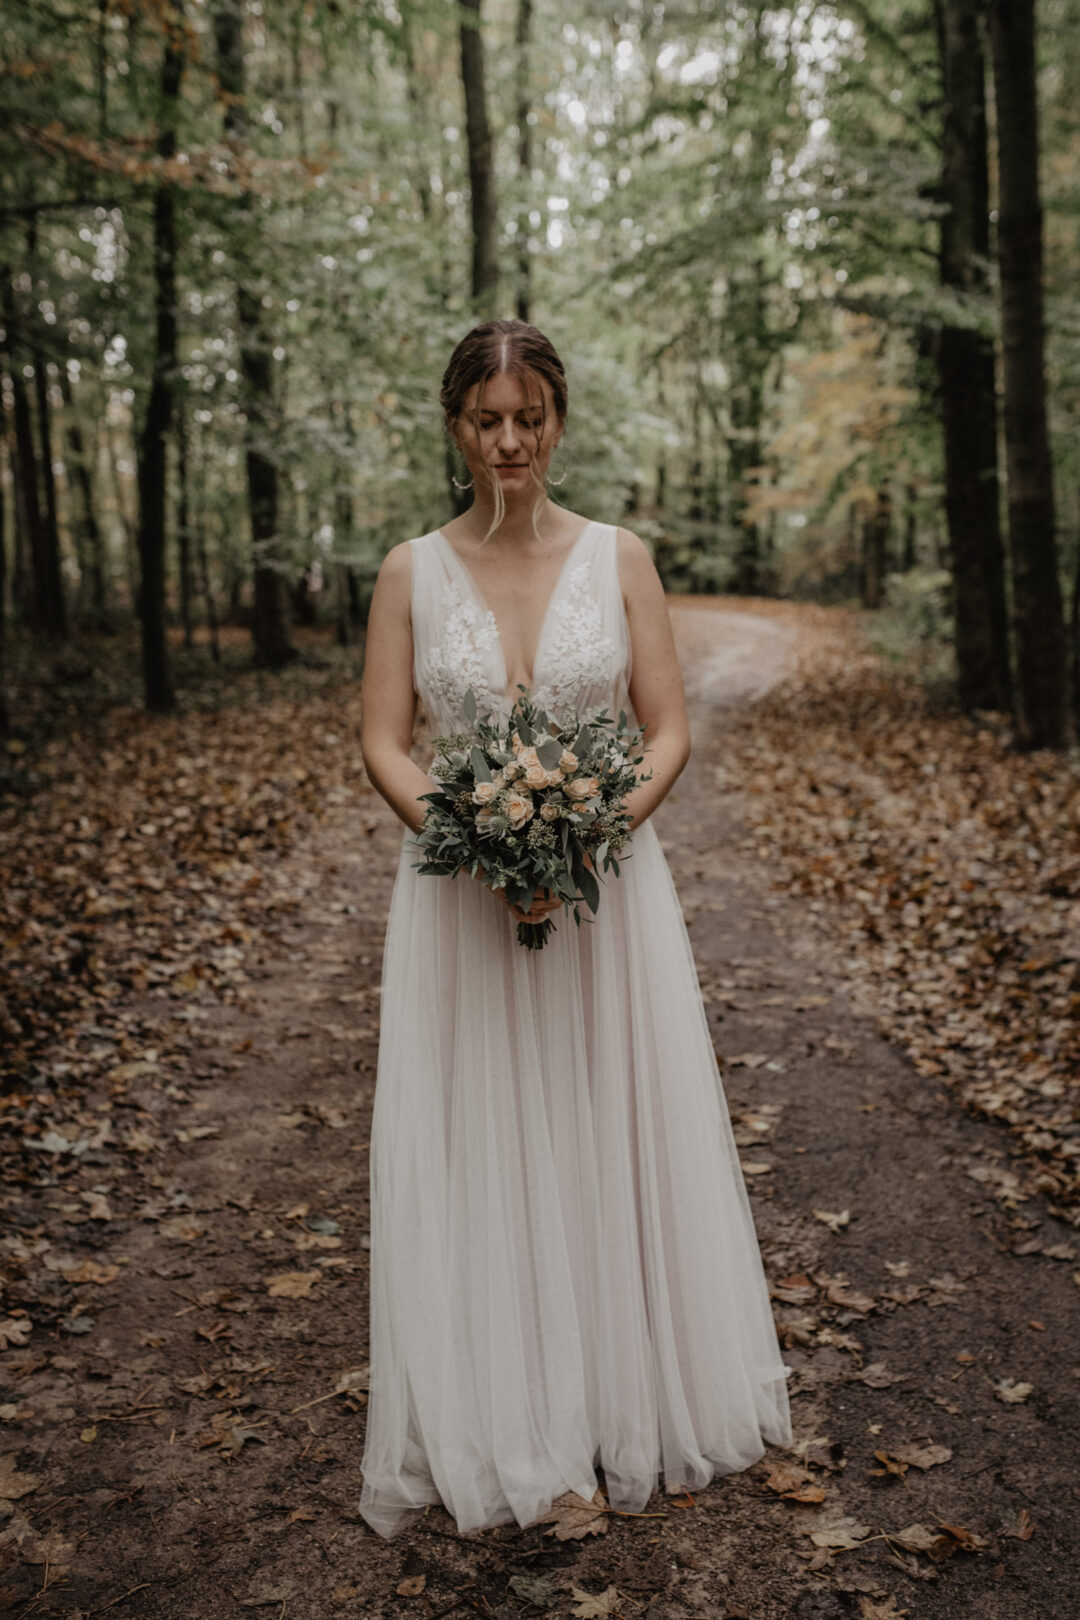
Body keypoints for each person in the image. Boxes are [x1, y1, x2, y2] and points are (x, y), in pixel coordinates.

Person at [357, 319, 791, 1539]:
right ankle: (512, 1420)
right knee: (484, 1137)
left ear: (558, 421)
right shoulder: (409, 571)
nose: (510, 442)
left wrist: (588, 835)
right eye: (487, 420)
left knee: (602, 1121)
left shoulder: (622, 558)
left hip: (604, 899)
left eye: (529, 418)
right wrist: (468, 834)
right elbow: (385, 739)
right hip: (457, 900)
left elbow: (668, 732)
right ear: (456, 426)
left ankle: (618, 1399)